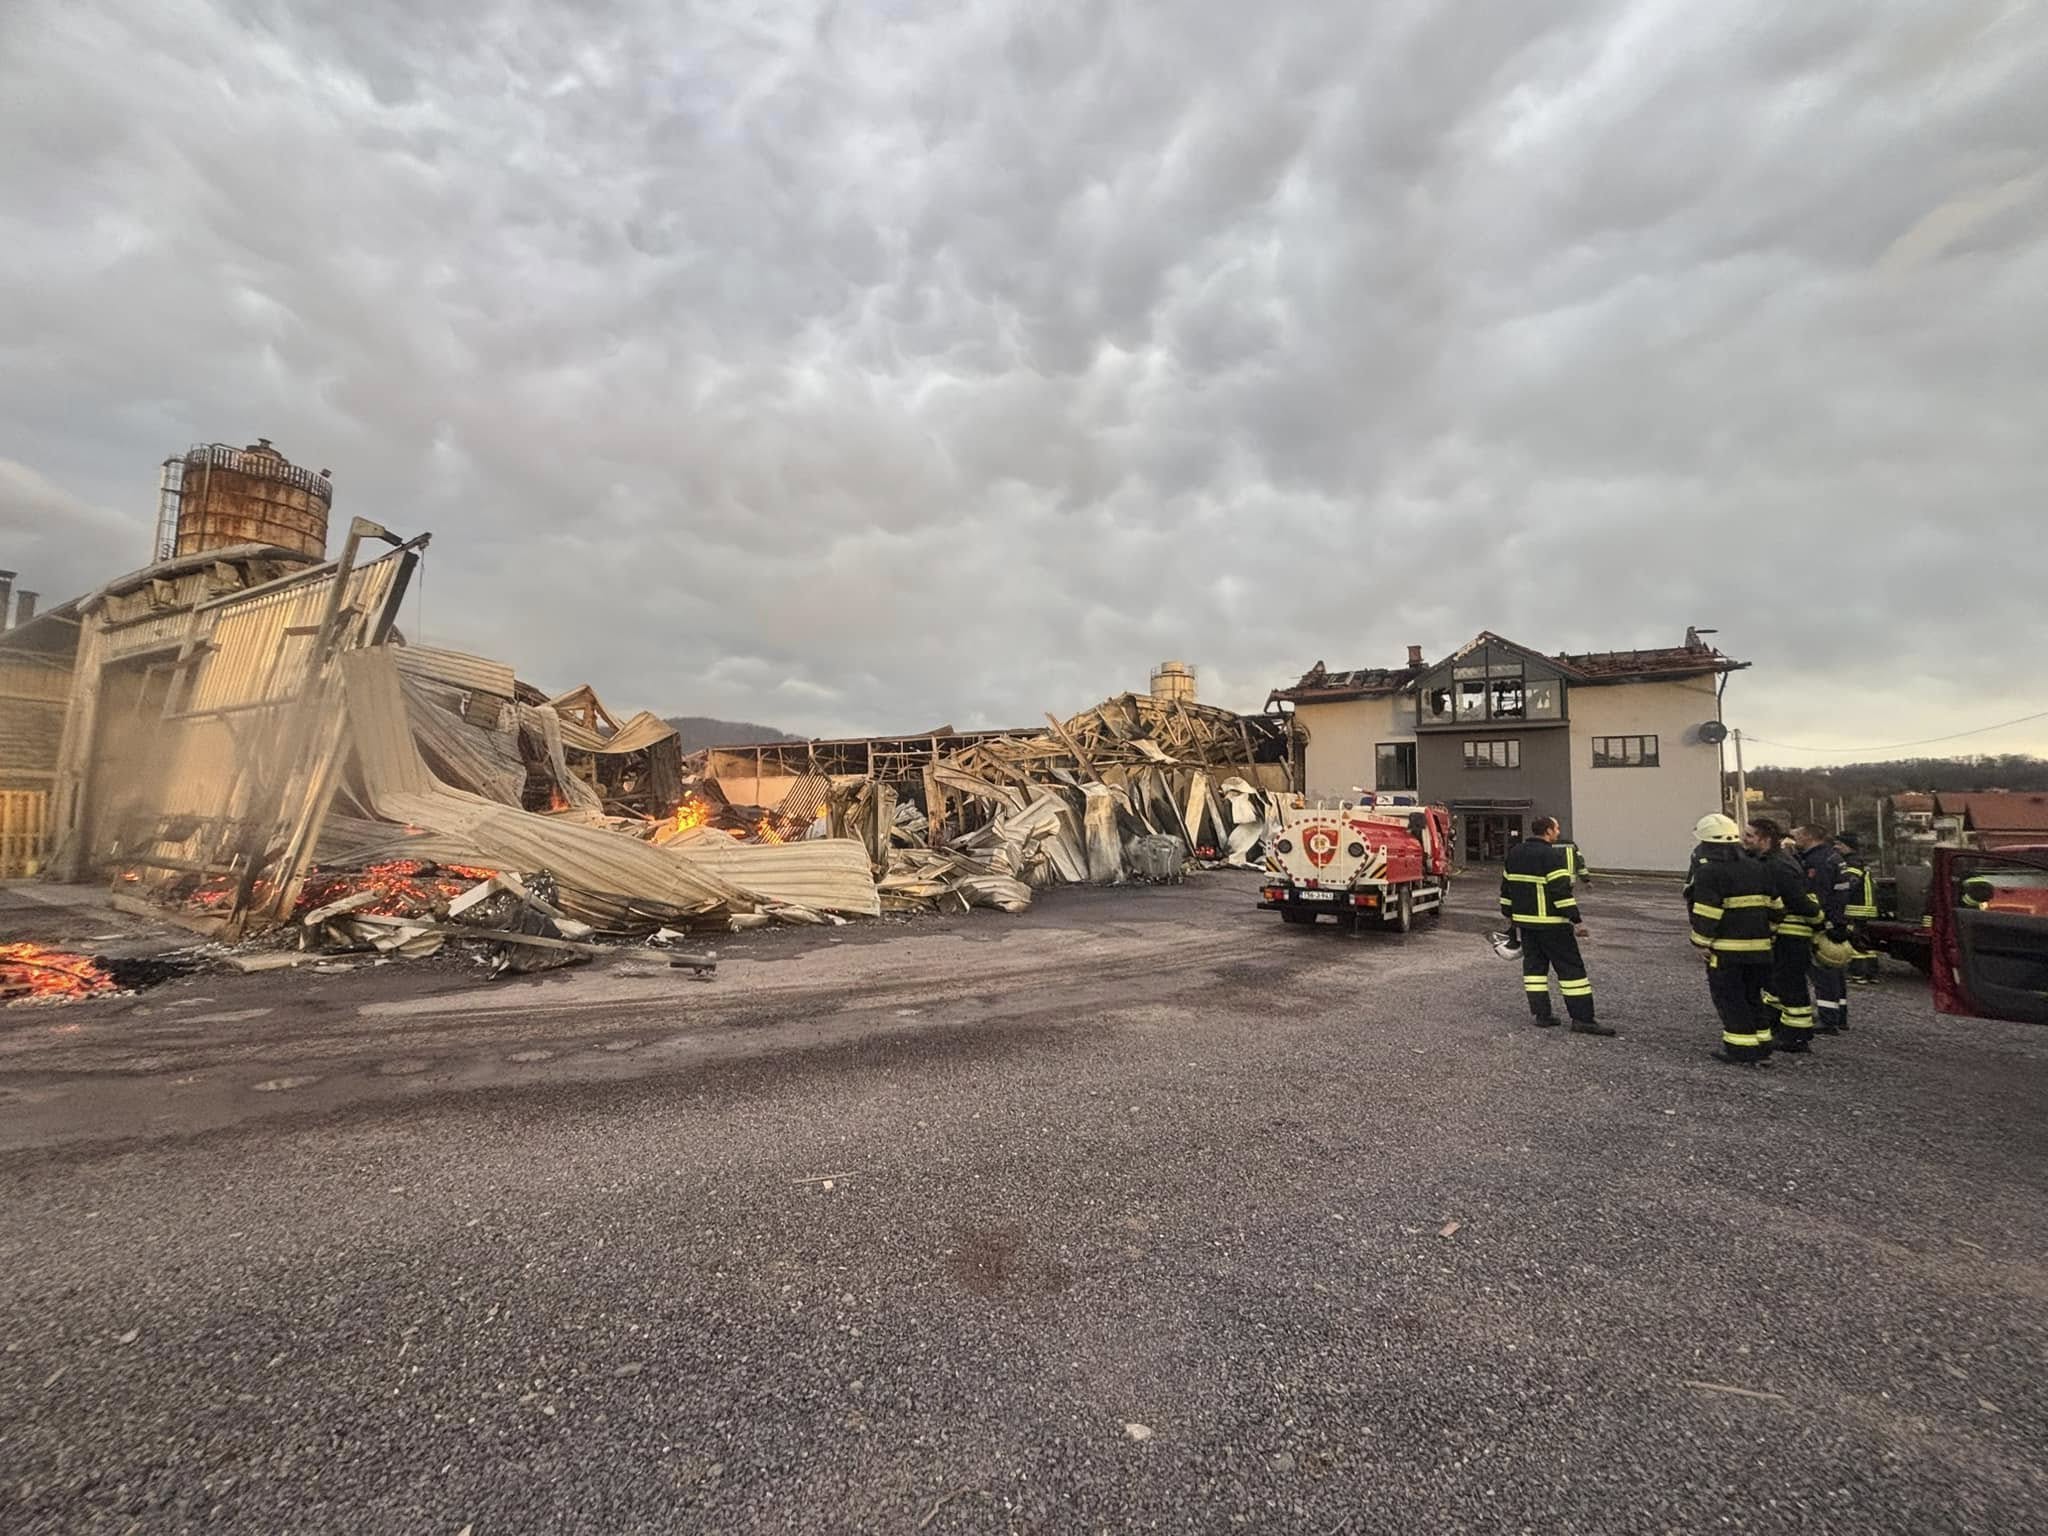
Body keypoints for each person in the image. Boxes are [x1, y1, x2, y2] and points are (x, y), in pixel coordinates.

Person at [1499, 816, 1613, 1036]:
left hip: (1526, 925)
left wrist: (1510, 917)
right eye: (1557, 828)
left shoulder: (1515, 853)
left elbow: (1506, 889)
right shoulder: (1552, 855)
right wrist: (1576, 920)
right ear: (1548, 831)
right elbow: (1560, 892)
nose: (1558, 832)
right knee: (1572, 970)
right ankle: (1582, 1018)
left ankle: (1542, 1015)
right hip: (1552, 925)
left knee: (1534, 970)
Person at [1686, 814, 1779, 1064]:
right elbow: (1776, 908)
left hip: (1726, 952)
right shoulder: (1759, 867)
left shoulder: (1709, 873)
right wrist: (1768, 934)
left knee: (1731, 999)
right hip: (1761, 950)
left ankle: (1741, 1050)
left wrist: (1700, 943)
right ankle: (1763, 1047)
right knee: (1753, 996)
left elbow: (1707, 913)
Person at [1745, 817, 1823, 1054]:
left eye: (1749, 835)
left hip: (1791, 933)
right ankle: (1779, 1026)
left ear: (1765, 839)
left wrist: (1819, 921)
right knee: (1777, 984)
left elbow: (1797, 901)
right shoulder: (1770, 861)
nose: (1743, 839)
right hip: (1781, 933)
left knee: (1791, 985)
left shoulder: (1779, 865)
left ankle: (1797, 1036)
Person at [1791, 825, 1854, 1032]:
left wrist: (1816, 920)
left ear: (1809, 836)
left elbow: (1816, 896)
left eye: (1798, 836)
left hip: (1823, 922)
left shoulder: (1817, 861)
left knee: (1821, 972)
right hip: (1836, 919)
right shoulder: (1832, 857)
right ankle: (1839, 1015)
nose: (1795, 839)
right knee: (1834, 970)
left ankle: (1827, 1018)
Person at [1834, 832, 1881, 985]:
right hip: (1864, 907)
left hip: (1855, 907)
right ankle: (1871, 973)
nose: (1836, 847)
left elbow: (1849, 884)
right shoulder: (1858, 860)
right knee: (1865, 942)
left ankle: (1858, 973)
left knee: (1855, 941)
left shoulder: (1852, 862)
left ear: (1848, 846)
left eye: (1839, 844)